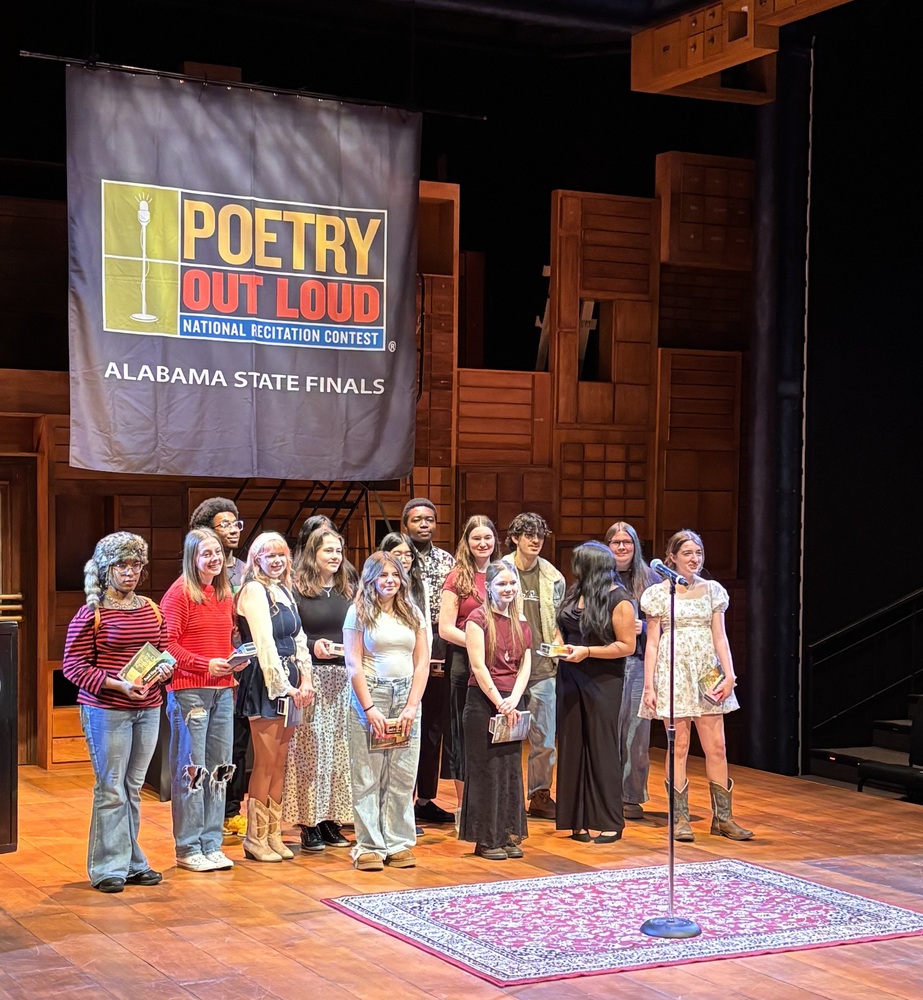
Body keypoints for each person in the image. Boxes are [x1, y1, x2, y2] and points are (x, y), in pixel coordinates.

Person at [62, 532, 172, 893]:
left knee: (134, 787)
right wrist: (116, 684)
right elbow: (73, 667)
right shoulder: (91, 614)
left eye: (136, 565)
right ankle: (108, 866)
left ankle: (132, 861)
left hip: (147, 707)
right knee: (111, 788)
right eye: (123, 565)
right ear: (107, 570)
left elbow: (165, 649)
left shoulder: (151, 610)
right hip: (107, 710)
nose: (130, 572)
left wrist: (164, 669)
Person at [641, 529, 753, 842]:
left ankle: (723, 818)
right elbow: (652, 643)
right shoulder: (660, 593)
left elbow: (720, 636)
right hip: (673, 669)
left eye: (698, 553)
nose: (694, 559)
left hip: (706, 671)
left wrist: (729, 675)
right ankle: (680, 819)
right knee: (679, 745)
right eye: (687, 553)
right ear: (672, 557)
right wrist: (649, 686)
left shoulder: (713, 590)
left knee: (716, 746)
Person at [161, 528, 241, 873]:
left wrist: (237, 657)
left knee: (220, 767)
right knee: (193, 770)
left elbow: (221, 640)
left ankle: (212, 842)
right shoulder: (179, 594)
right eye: (206, 553)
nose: (214, 559)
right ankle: (188, 845)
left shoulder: (224, 592)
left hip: (223, 688)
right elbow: (168, 646)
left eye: (218, 553)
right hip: (189, 689)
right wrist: (203, 664)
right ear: (192, 558)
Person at [344, 552, 429, 870]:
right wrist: (369, 709)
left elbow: (422, 662)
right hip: (372, 696)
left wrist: (411, 706)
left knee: (402, 775)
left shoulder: (413, 613)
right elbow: (353, 665)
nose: (390, 580)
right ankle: (368, 845)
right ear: (371, 580)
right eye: (382, 575)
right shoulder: (358, 612)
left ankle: (397, 842)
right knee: (368, 774)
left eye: (394, 574)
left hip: (406, 696)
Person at [235, 532, 314, 862]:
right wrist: (285, 686)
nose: (278, 561)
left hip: (293, 678)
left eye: (282, 555)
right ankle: (255, 838)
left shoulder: (284, 590)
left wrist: (306, 678)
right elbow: (265, 644)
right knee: (265, 762)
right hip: (267, 680)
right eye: (270, 556)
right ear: (257, 560)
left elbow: (299, 638)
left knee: (281, 763)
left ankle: (273, 834)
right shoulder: (253, 591)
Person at [555, 542, 637, 843]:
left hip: (603, 680)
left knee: (602, 747)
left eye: (579, 563)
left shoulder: (620, 600)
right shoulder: (575, 593)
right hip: (570, 675)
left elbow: (626, 646)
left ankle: (610, 822)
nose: (574, 568)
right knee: (572, 744)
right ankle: (577, 820)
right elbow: (561, 625)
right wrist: (559, 645)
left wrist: (587, 651)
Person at [282, 527, 354, 853]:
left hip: (344, 680)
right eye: (328, 551)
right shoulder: (297, 590)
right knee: (311, 753)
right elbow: (290, 635)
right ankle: (308, 823)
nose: (335, 557)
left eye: (338, 551)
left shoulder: (348, 590)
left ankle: (330, 820)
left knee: (338, 753)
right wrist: (314, 645)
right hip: (312, 677)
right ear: (313, 554)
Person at [459, 561, 532, 860]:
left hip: (512, 701)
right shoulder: (478, 619)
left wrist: (514, 697)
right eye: (502, 584)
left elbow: (526, 662)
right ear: (488, 587)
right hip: (483, 701)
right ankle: (486, 839)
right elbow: (478, 665)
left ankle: (506, 833)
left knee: (509, 769)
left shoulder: (521, 620)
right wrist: (499, 700)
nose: (508, 589)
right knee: (487, 770)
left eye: (512, 584)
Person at [189, 497, 249, 839]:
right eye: (223, 524)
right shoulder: (194, 578)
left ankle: (228, 812)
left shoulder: (245, 569)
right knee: (201, 756)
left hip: (238, 664)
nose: (232, 530)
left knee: (233, 746)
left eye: (235, 523)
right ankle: (199, 828)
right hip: (203, 674)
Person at [501, 512, 565, 821]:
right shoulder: (499, 570)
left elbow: (557, 621)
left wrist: (559, 646)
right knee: (505, 735)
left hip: (542, 668)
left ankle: (540, 795)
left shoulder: (553, 576)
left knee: (544, 737)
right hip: (506, 668)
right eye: (528, 534)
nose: (535, 540)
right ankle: (506, 795)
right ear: (515, 538)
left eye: (539, 534)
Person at [438, 515, 499, 819]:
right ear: (467, 541)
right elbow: (446, 629)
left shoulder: (503, 573)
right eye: (476, 538)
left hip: (499, 665)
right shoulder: (457, 577)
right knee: (463, 732)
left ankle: (491, 803)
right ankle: (465, 807)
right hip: (464, 663)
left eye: (487, 537)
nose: (482, 543)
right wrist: (478, 645)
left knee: (493, 732)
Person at [401, 498, 456, 825]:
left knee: (434, 725)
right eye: (417, 520)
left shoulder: (446, 560)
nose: (424, 525)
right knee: (405, 724)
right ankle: (400, 800)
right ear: (405, 524)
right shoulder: (395, 556)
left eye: (429, 519)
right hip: (402, 642)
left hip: (439, 641)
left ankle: (425, 798)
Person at [605, 521, 658, 820]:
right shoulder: (600, 575)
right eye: (616, 542)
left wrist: (645, 627)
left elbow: (667, 622)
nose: (622, 547)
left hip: (639, 664)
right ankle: (605, 792)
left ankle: (631, 795)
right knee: (609, 730)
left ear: (635, 545)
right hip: (608, 662)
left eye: (627, 542)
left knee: (636, 735)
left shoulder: (650, 577)